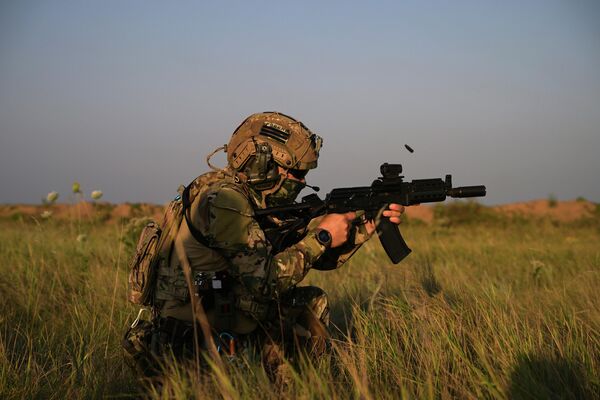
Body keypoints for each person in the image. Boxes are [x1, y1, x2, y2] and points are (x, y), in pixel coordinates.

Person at [148, 111, 404, 378]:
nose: (302, 181)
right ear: (262, 163)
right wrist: (322, 237)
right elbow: (265, 282)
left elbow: (312, 259)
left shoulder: (253, 200)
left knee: (309, 303)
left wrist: (367, 226)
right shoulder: (225, 201)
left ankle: (296, 388)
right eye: (296, 172)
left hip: (222, 313)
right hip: (192, 341)